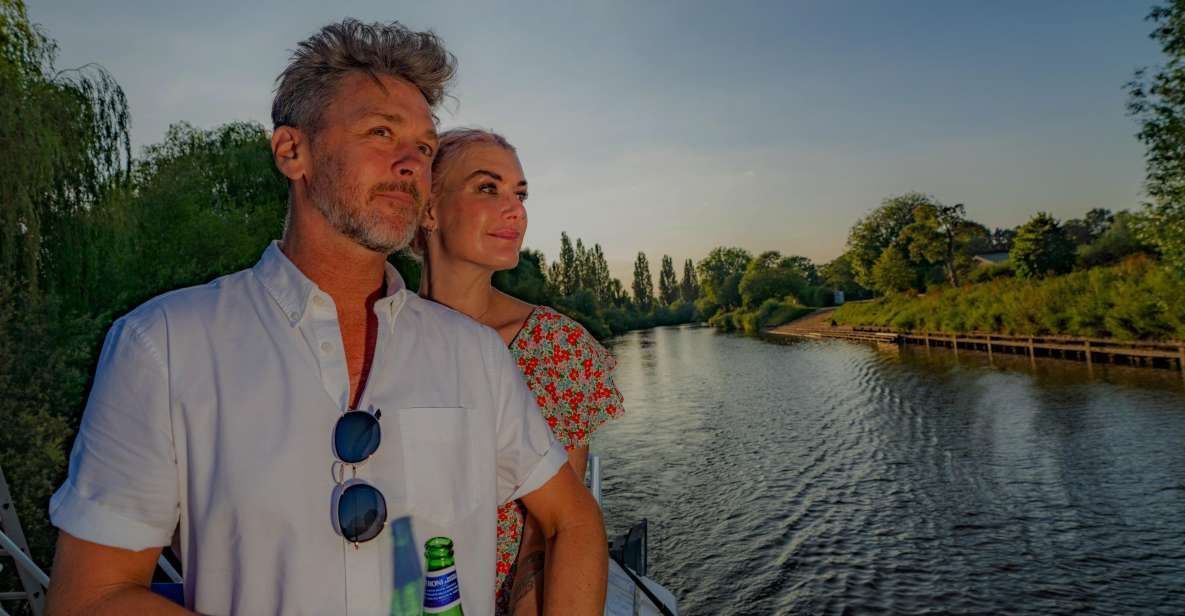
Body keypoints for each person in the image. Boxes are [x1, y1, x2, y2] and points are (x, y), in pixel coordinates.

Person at [43, 20, 607, 616]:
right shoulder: (163, 345)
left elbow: (572, 520)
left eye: (423, 147)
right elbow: (92, 596)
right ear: (293, 151)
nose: (412, 163)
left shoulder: (475, 355)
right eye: (381, 132)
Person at [415, 128, 624, 615]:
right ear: (428, 209)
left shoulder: (555, 347)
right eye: (489, 188)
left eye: (521, 194)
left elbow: (546, 537)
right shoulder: (379, 333)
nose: (517, 210)